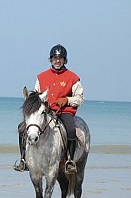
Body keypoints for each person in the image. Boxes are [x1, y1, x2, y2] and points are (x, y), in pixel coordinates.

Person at [13, 44, 84, 173]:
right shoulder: (41, 77)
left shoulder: (73, 78)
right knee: (22, 128)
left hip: (64, 112)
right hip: (45, 111)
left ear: (65, 60)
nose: (58, 61)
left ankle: (70, 161)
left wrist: (67, 100)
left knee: (71, 129)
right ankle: (24, 159)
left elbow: (80, 98)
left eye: (60, 58)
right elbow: (36, 95)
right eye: (55, 58)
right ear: (50, 60)